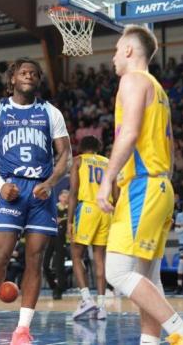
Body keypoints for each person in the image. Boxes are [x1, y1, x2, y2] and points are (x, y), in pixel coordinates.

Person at [94, 25, 183, 345]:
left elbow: (128, 134)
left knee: (116, 273)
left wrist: (106, 182)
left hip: (143, 186)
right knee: (146, 279)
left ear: (129, 50)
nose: (114, 57)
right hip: (160, 186)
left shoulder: (131, 80)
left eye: (117, 50)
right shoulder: (158, 89)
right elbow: (169, 151)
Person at [0, 58, 71, 345]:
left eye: (34, 72)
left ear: (38, 80)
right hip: (11, 188)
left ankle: (22, 329)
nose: (29, 75)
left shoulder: (50, 112)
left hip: (42, 192)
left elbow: (65, 155)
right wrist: (0, 185)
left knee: (35, 261)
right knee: (1, 255)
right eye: (23, 71)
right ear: (13, 79)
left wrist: (51, 183)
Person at [68, 135, 115, 320]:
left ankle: (87, 299)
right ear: (98, 147)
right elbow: (117, 192)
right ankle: (102, 307)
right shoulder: (109, 162)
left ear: (82, 147)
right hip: (106, 210)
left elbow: (73, 192)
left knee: (76, 255)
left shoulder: (78, 161)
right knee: (99, 260)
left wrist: (70, 221)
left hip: (87, 208)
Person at [44, 190, 69, 300]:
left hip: (63, 240)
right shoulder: (53, 208)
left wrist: (63, 220)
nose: (65, 198)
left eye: (67, 197)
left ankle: (59, 289)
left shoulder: (70, 209)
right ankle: (53, 285)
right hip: (50, 238)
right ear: (59, 197)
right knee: (45, 264)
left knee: (60, 265)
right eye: (63, 196)